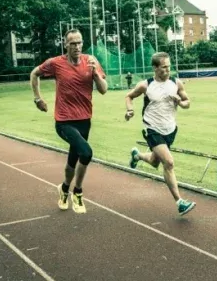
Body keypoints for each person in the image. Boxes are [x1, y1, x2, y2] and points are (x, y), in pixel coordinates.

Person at [30, 29, 108, 214]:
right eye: (72, 43)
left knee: (73, 160)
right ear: (65, 44)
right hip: (64, 121)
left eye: (79, 42)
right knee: (86, 153)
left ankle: (64, 188)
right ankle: (77, 192)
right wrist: (37, 99)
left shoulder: (91, 61)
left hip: (84, 120)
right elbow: (34, 73)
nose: (77, 46)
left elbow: (104, 90)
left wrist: (96, 74)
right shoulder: (56, 63)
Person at [124, 52, 196, 216]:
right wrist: (130, 110)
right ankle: (180, 203)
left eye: (169, 67)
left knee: (155, 161)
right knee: (168, 163)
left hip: (170, 129)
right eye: (164, 67)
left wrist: (180, 102)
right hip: (152, 128)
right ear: (155, 68)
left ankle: (137, 156)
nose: (168, 70)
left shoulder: (176, 83)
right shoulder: (146, 85)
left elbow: (187, 103)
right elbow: (129, 97)